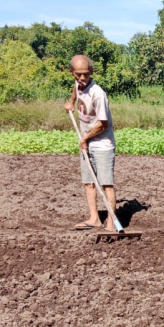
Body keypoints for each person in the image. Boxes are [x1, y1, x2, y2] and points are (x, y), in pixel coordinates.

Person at [63, 55, 117, 232]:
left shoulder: (98, 94)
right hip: (86, 142)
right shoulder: (78, 85)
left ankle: (111, 222)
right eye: (78, 74)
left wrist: (85, 139)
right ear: (72, 73)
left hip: (102, 144)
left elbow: (103, 124)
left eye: (86, 74)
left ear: (91, 72)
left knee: (106, 184)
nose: (82, 78)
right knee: (89, 182)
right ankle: (94, 218)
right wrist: (71, 102)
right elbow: (75, 91)